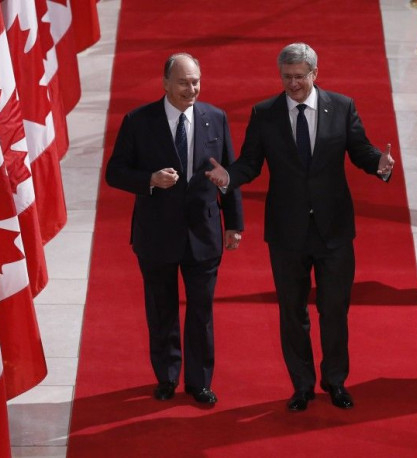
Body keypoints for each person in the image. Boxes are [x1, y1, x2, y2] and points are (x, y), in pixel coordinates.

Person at [206, 42, 394, 411]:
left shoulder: (341, 106)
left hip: (334, 230)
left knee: (334, 309)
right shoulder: (265, 114)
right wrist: (228, 176)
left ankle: (335, 381)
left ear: (314, 74)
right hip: (287, 232)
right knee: (292, 311)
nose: (292, 83)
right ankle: (303, 386)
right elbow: (251, 162)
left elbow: (360, 150)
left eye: (299, 76)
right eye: (286, 77)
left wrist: (379, 164)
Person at [106, 53, 244, 405]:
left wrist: (235, 224)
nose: (191, 88)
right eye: (183, 82)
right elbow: (115, 172)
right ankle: (167, 376)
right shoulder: (139, 121)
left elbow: (229, 174)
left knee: (202, 309)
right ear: (165, 83)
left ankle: (199, 382)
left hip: (205, 234)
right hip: (156, 234)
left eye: (196, 81)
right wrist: (149, 180)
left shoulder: (215, 118)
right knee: (161, 308)